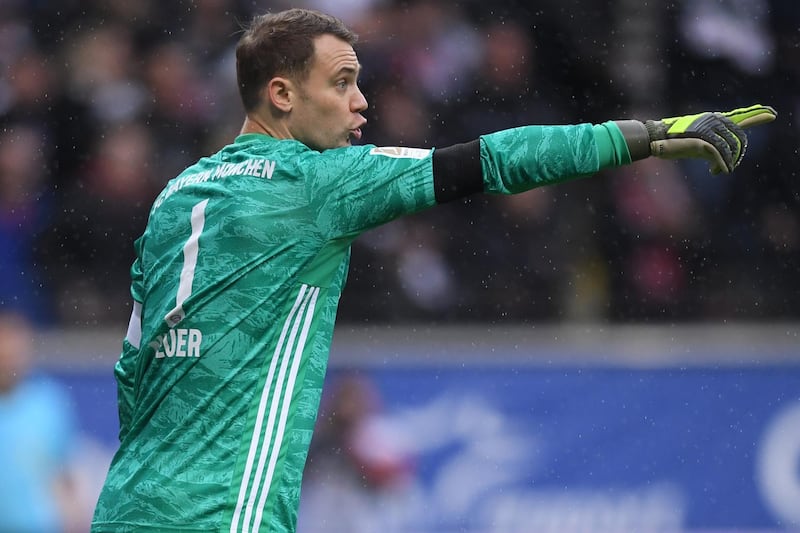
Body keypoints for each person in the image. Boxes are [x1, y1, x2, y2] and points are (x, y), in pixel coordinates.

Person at [90, 7, 776, 533]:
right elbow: (496, 159)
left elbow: (131, 367)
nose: (361, 102)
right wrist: (646, 136)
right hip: (226, 512)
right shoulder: (320, 183)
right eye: (343, 82)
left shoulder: (174, 196)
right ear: (281, 94)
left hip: (125, 504)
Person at [0, 311, 81, 532]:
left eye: (15, 351)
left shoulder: (48, 402)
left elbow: (65, 473)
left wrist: (73, 519)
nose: (9, 360)